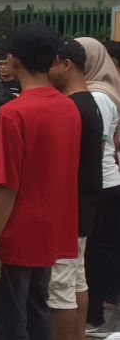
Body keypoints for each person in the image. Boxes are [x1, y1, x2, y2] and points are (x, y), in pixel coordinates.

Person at [0, 24, 81, 339]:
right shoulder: (69, 107)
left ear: (14, 59)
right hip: (50, 235)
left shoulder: (13, 113)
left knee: (9, 324)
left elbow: (6, 188)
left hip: (16, 238)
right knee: (37, 318)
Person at [46, 38, 104, 340]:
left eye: (50, 64)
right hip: (84, 207)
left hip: (68, 211)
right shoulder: (90, 102)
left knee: (59, 291)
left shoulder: (71, 107)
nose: (47, 72)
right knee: (77, 281)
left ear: (65, 64)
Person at [78, 37, 120, 337]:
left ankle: (93, 316)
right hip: (106, 181)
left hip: (102, 185)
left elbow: (95, 144)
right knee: (101, 249)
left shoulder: (98, 96)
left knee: (95, 252)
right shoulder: (103, 91)